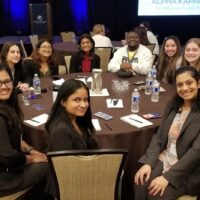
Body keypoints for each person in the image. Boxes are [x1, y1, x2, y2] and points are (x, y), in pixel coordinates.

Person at [134, 66, 200, 200]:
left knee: (155, 195)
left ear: (198, 83)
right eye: (180, 85)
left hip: (188, 169)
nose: (185, 88)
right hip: (165, 158)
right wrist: (149, 163)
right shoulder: (174, 104)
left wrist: (168, 177)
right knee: (140, 182)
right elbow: (159, 136)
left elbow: (196, 152)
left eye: (189, 83)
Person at [0, 63, 56, 199]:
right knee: (50, 167)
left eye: (7, 81)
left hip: (9, 167)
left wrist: (31, 150)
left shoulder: (6, 106)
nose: (4, 87)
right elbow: (8, 158)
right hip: (4, 179)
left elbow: (15, 137)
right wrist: (32, 159)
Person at [46, 79, 98, 151]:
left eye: (85, 99)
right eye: (77, 100)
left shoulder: (78, 119)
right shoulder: (60, 131)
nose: (83, 105)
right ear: (63, 102)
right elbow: (67, 162)